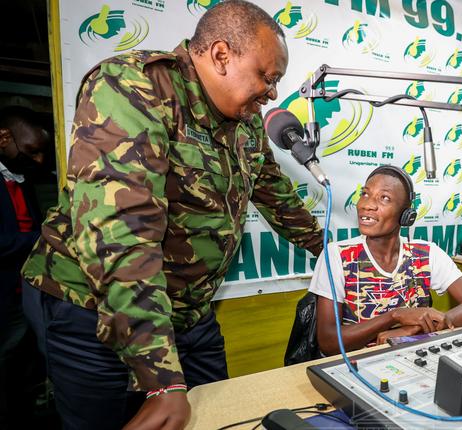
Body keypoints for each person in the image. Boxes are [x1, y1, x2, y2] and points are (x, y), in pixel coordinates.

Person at [20, 1, 323, 429]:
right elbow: (121, 236)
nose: (272, 93)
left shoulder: (246, 123)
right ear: (221, 55)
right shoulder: (131, 87)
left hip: (188, 314)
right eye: (267, 77)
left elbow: (277, 197)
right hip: (88, 309)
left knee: (221, 415)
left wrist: (331, 250)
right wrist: (162, 380)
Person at [309, 166, 462, 355]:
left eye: (384, 198)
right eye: (365, 194)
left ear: (406, 215)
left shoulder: (427, 253)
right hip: (356, 366)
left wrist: (418, 328)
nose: (367, 205)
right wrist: (394, 316)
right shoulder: (335, 256)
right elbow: (329, 342)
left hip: (414, 359)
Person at [0, 106, 48, 428]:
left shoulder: (22, 179)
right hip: (2, 300)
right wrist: (43, 237)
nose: (39, 160)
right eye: (31, 150)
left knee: (21, 373)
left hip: (26, 294)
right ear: (4, 138)